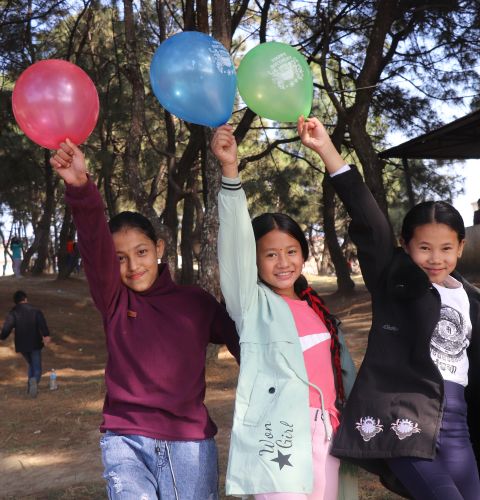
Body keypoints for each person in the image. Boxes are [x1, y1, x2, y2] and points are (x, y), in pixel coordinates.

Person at [296, 116, 480, 500]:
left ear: (461, 247)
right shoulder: (395, 279)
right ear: (405, 245)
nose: (435, 258)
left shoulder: (469, 298)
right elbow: (370, 220)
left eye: (446, 248)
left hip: (458, 425)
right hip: (404, 418)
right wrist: (328, 151)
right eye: (424, 247)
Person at [50, 139, 240, 500]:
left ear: (159, 249)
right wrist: (80, 188)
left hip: (190, 443)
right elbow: (92, 243)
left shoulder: (194, 302)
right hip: (126, 439)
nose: (133, 265)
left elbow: (243, 339)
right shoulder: (114, 300)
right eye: (119, 258)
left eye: (141, 252)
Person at [211, 125, 357, 499]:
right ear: (254, 259)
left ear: (304, 255)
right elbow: (233, 245)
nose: (282, 262)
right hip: (280, 439)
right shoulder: (251, 304)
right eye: (270, 253)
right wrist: (231, 173)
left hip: (329, 431)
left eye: (291, 251)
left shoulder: (315, 306)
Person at [1, 290, 51, 398]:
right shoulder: (35, 310)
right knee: (37, 367)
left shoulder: (13, 312)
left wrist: (2, 337)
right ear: (25, 299)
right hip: (35, 343)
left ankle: (30, 387)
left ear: (16, 301)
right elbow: (42, 324)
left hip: (21, 344)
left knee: (31, 364)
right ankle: (34, 381)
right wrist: (46, 335)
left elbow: (7, 327)